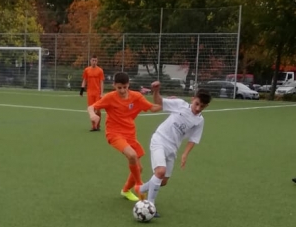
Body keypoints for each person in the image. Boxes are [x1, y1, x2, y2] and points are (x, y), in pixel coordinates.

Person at [136, 83, 211, 213]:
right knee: (160, 172)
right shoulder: (180, 104)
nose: (198, 108)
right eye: (197, 104)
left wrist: (185, 154)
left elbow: (193, 139)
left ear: (206, 106)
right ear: (193, 99)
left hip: (173, 148)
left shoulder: (200, 121)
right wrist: (156, 91)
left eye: (202, 106)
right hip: (159, 139)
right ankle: (150, 206)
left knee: (163, 181)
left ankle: (141, 189)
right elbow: (159, 101)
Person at [88, 71, 162, 201]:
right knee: (132, 155)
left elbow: (154, 108)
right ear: (114, 85)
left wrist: (162, 97)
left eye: (125, 87)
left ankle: (126, 190)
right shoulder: (110, 97)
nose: (122, 90)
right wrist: (93, 115)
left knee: (139, 168)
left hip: (130, 134)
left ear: (129, 85)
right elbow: (91, 107)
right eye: (119, 88)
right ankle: (139, 185)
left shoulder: (136, 97)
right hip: (114, 133)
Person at [81, 56, 105, 130]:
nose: (94, 62)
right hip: (90, 93)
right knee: (91, 109)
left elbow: (101, 82)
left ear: (97, 61)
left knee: (97, 110)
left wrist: (102, 93)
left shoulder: (100, 70)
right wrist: (81, 90)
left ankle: (98, 125)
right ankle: (93, 126)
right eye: (93, 60)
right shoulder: (87, 70)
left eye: (95, 60)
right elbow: (84, 80)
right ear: (90, 61)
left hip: (97, 93)